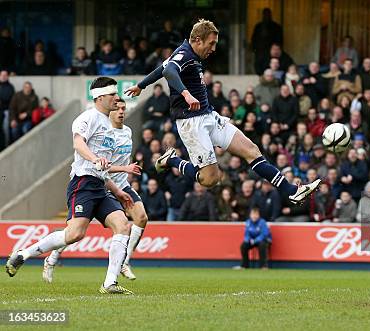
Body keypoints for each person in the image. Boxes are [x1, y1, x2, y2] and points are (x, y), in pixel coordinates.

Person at [126, 19, 320, 205]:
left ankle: (291, 191)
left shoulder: (186, 53)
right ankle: (173, 160)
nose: (213, 49)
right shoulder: (184, 54)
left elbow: (163, 67)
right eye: (211, 43)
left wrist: (141, 85)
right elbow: (169, 72)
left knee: (252, 150)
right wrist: (186, 94)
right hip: (191, 123)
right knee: (210, 180)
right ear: (197, 40)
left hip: (209, 115)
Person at [5, 77, 135, 294]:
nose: (116, 98)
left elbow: (103, 169)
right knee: (74, 234)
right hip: (82, 184)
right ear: (100, 97)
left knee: (123, 225)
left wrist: (118, 190)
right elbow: (78, 143)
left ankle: (109, 283)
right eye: (113, 95)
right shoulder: (88, 117)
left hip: (100, 186)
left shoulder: (109, 127)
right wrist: (94, 159)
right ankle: (23, 254)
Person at [43, 99, 147, 282]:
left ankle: (124, 261)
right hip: (102, 182)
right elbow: (100, 164)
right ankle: (52, 257)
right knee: (75, 230)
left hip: (121, 184)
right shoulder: (103, 132)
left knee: (141, 217)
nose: (121, 111)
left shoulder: (128, 131)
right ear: (110, 111)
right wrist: (123, 169)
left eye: (124, 108)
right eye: (118, 108)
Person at [251, 8, 283, 73]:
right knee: (259, 65)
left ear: (271, 15)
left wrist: (275, 49)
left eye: (268, 14)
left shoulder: (276, 27)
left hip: (271, 51)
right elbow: (254, 38)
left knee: (271, 64)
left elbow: (279, 40)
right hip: (260, 51)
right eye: (265, 14)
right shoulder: (258, 26)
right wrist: (254, 48)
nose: (266, 16)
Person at [0, 70, 14, 150]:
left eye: (5, 75)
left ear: (7, 76)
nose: (3, 77)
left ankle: (6, 146)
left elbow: (8, 98)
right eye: (2, 75)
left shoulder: (10, 87)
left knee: (5, 128)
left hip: (5, 111)